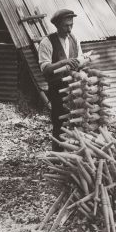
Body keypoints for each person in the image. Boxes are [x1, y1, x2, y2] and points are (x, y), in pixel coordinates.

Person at [38, 9, 83, 151]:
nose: (69, 29)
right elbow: (45, 68)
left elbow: (80, 59)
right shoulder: (47, 42)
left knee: (77, 123)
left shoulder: (74, 39)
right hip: (57, 89)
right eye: (66, 26)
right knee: (60, 124)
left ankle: (74, 154)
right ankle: (57, 157)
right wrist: (63, 63)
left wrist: (81, 63)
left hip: (74, 88)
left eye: (71, 25)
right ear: (57, 25)